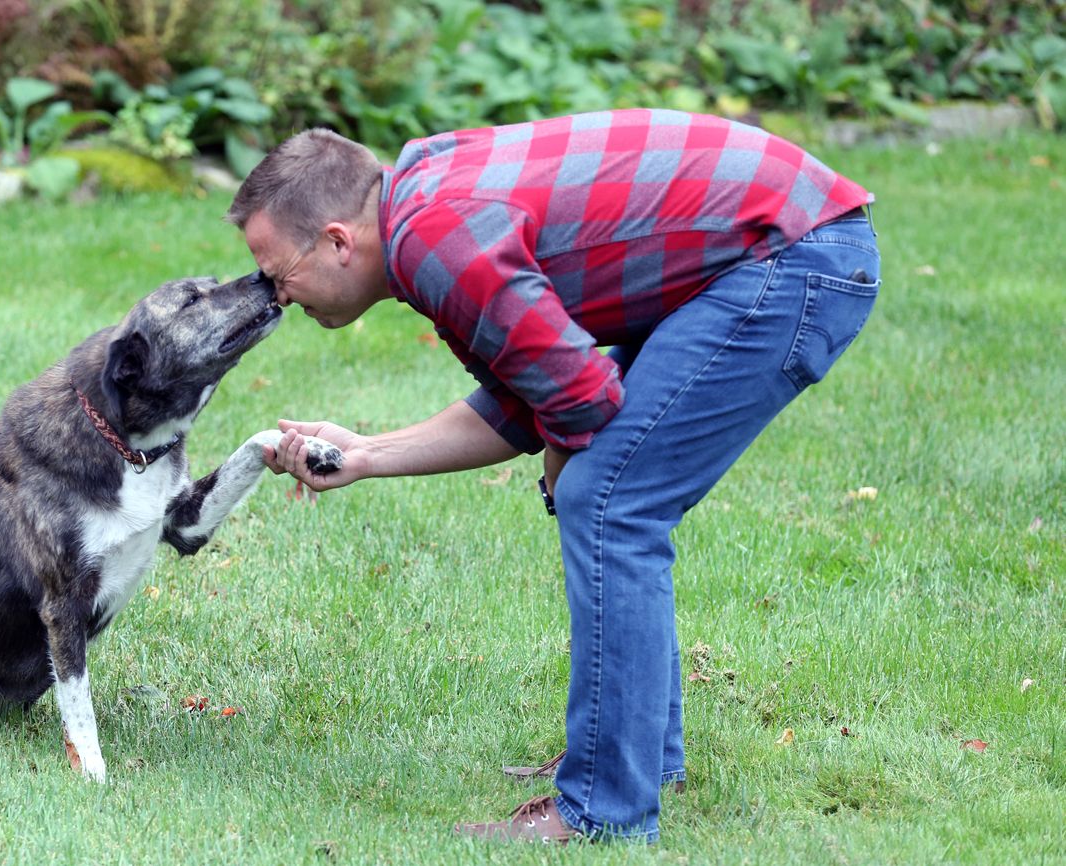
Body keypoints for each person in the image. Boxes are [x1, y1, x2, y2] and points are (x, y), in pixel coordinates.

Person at [229, 109, 880, 844]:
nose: (278, 298)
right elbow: (521, 401)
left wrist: (562, 464)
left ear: (339, 242)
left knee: (607, 502)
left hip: (795, 255)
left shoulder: (437, 242)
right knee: (600, 495)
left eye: (278, 277)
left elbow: (575, 398)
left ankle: (605, 810)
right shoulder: (422, 215)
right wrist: (367, 453)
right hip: (783, 242)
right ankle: (637, 760)